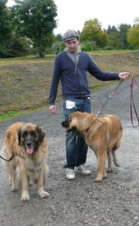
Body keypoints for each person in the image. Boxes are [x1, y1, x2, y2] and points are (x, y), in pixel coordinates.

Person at [48, 29, 131, 180]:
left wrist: (117, 75)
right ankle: (70, 167)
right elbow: (55, 80)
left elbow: (98, 74)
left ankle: (80, 164)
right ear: (65, 44)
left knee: (87, 132)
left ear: (78, 40)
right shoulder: (60, 58)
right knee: (72, 134)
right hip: (70, 101)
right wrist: (51, 102)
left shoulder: (85, 56)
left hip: (85, 100)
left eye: (73, 42)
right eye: (68, 43)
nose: (71, 45)